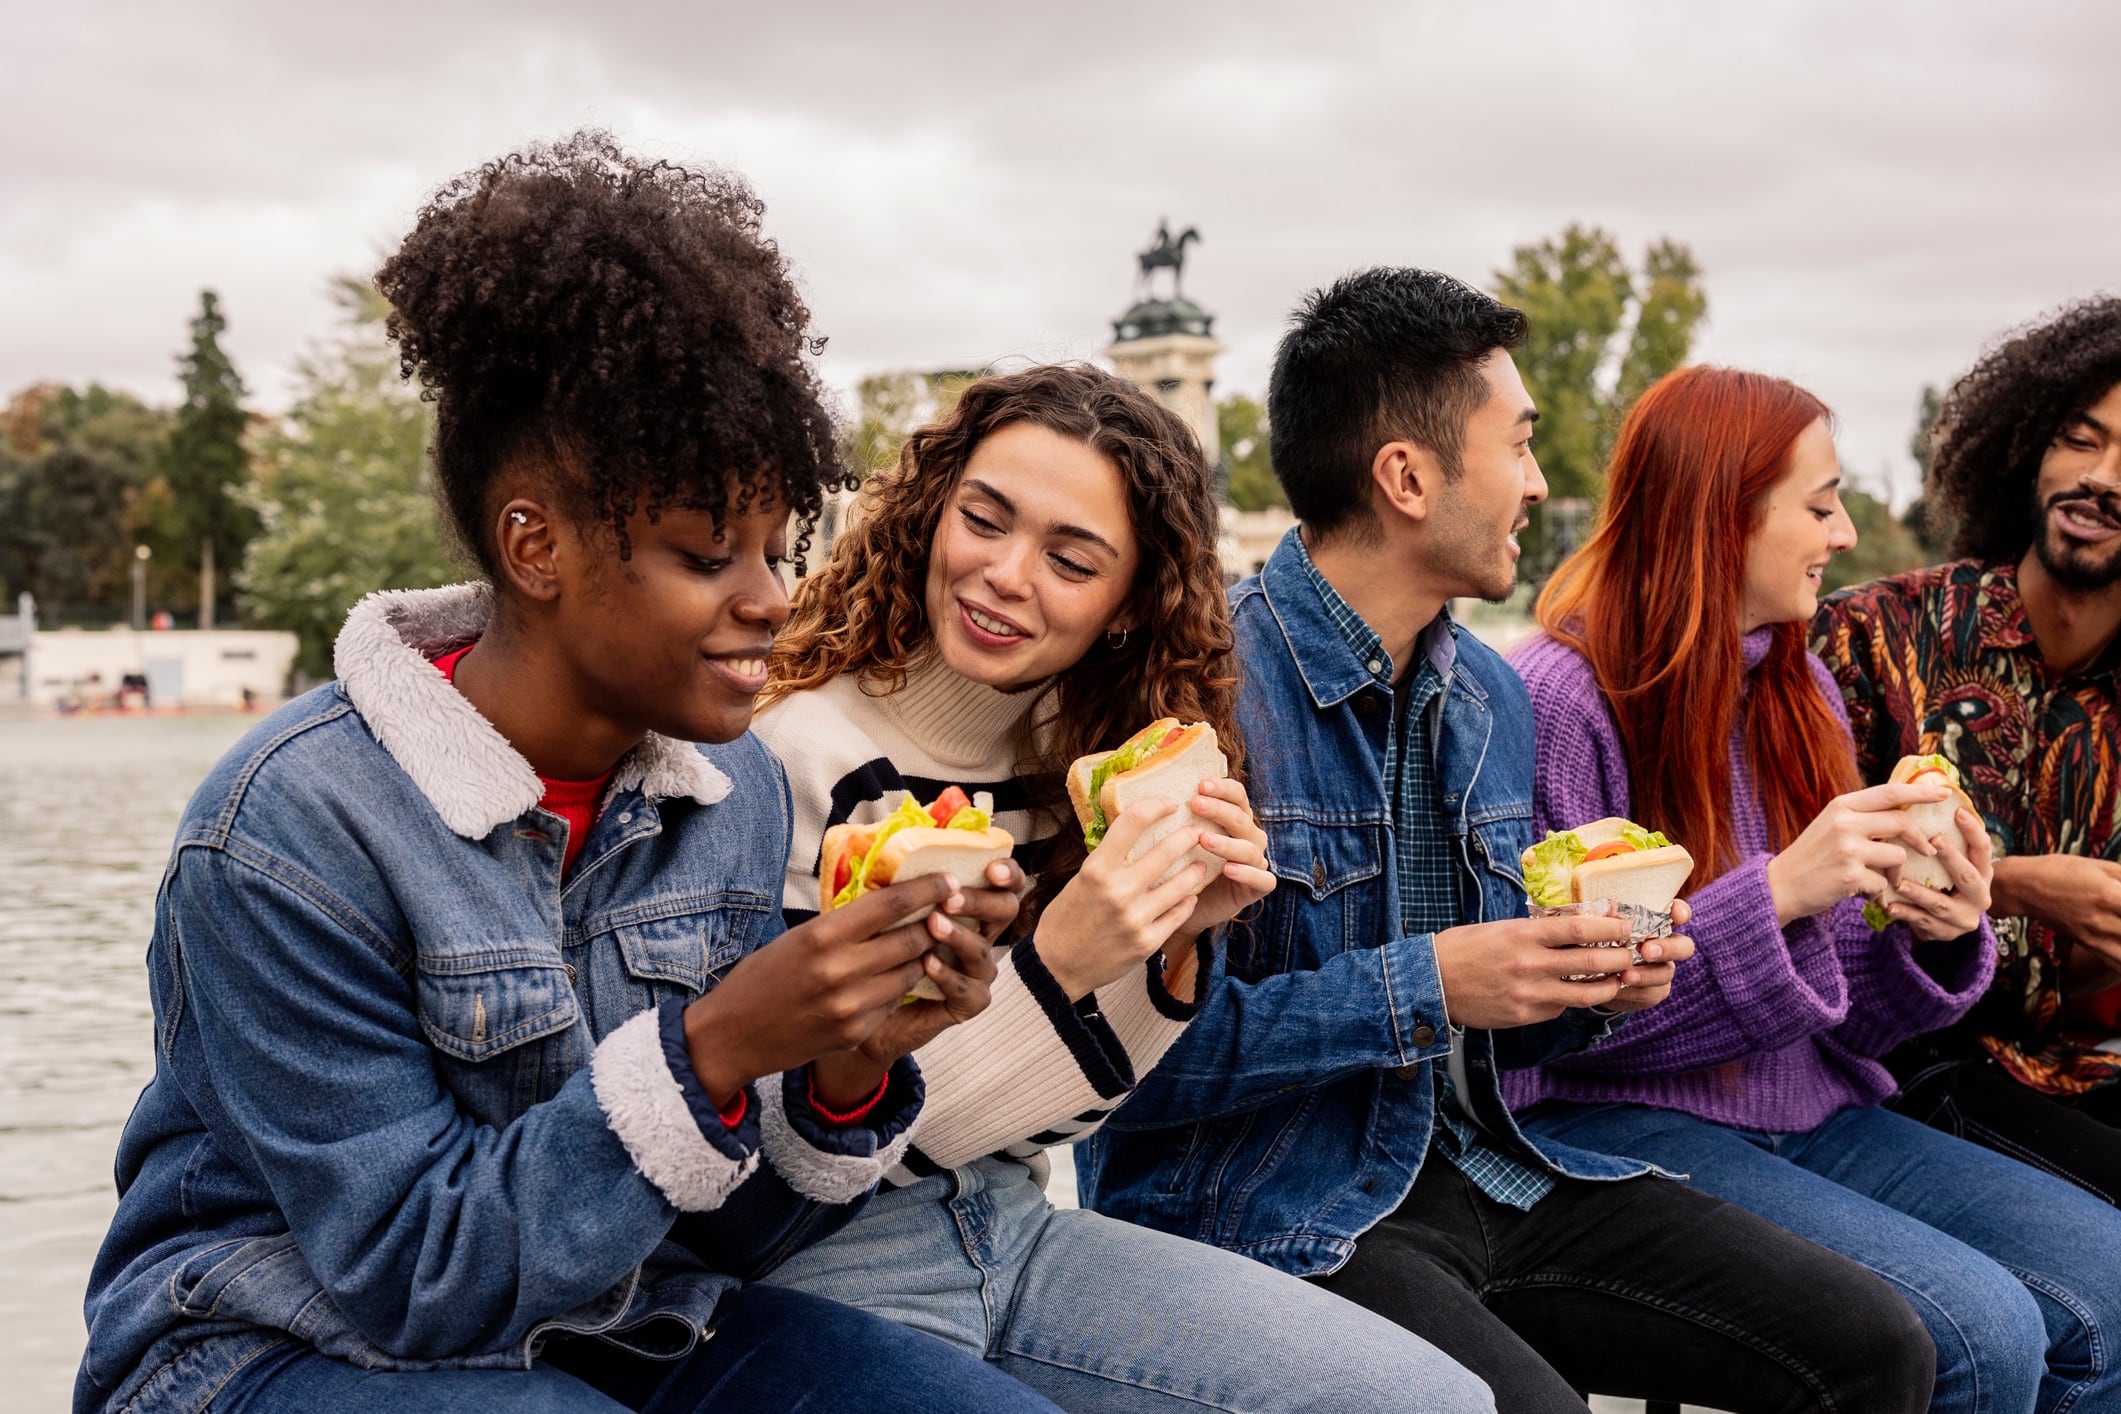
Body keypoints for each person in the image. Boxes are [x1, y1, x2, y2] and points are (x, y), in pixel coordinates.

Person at [75, 134, 1064, 1414]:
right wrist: (711, 1046)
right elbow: (412, 1276)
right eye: (711, 553)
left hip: (622, 1322)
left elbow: (718, 1238)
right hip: (271, 1345)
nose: (774, 599)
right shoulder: (288, 829)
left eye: (781, 545)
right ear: (534, 546)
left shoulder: (735, 792)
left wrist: (842, 1068)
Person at [1079, 268, 1939, 1413]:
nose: (1540, 482)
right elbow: (1131, 1077)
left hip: (1484, 1166)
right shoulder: (1201, 701)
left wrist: (1590, 983)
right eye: (1520, 444)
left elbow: (1509, 1030)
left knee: (1878, 1345)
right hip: (1266, 1200)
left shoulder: (1489, 693)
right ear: (1406, 477)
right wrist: (1428, 984)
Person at [750, 362, 1497, 1412]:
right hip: (824, 1255)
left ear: (1124, 608)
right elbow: (845, 1143)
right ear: (928, 515)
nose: (1008, 574)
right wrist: (1069, 960)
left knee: (1437, 1402)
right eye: (984, 519)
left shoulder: (1082, 770)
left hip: (1011, 1221)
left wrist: (1173, 958)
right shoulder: (794, 754)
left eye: (1070, 558)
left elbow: (1061, 1123)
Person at [1510, 363, 2121, 1411]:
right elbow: (1582, 1025)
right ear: (1721, 514)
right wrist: (1782, 889)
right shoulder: (1559, 700)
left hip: (1812, 1106)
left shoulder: (1800, 692)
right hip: (1612, 1120)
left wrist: (1934, 929)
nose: (1844, 536)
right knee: (1981, 1335)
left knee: (2109, 1288)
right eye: (1822, 504)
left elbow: (1849, 1014)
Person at [1814, 297, 2121, 1203]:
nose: (2100, 476)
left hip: (2082, 1065)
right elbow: (1785, 878)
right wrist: (2020, 885)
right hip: (1899, 1064)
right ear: (2025, 446)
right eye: (2078, 438)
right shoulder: (1875, 636)